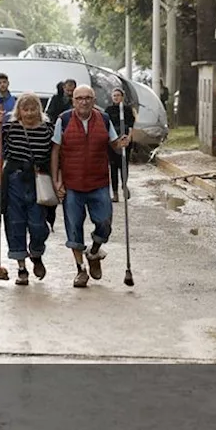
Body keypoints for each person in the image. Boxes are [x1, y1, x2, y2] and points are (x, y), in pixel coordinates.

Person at [52, 85, 130, 288]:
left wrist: (122, 143)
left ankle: (94, 252)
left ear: (94, 100)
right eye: (79, 98)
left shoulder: (103, 119)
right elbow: (55, 151)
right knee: (74, 230)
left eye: (88, 98)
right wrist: (56, 180)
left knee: (105, 223)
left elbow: (114, 143)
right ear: (73, 101)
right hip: (72, 184)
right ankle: (80, 270)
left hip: (98, 182)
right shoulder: (64, 119)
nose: (84, 102)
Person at [0, 92, 55, 286]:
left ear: (39, 110)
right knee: (15, 224)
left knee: (39, 225)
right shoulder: (10, 127)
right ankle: (21, 268)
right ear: (19, 111)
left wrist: (58, 180)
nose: (29, 113)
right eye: (25, 109)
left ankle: (36, 253)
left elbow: (57, 154)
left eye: (33, 109)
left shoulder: (48, 129)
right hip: (13, 181)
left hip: (38, 181)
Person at [105, 87, 136, 202]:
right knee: (113, 167)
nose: (116, 97)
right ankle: (115, 192)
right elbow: (106, 126)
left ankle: (124, 184)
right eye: (114, 96)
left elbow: (131, 125)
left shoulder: (127, 110)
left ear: (122, 97)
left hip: (125, 139)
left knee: (124, 164)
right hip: (113, 140)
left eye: (118, 95)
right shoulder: (108, 110)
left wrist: (129, 137)